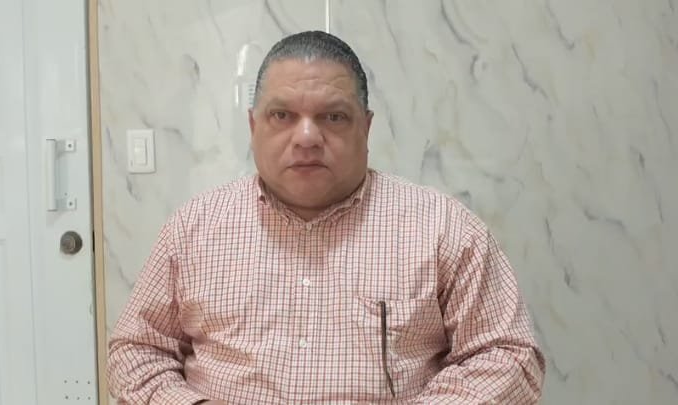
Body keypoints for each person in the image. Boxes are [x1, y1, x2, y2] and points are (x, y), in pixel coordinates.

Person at [107, 30, 545, 404]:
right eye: (282, 115)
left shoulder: (443, 228)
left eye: (333, 117)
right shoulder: (193, 228)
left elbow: (509, 357)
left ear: (366, 128)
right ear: (254, 126)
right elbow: (135, 351)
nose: (306, 137)